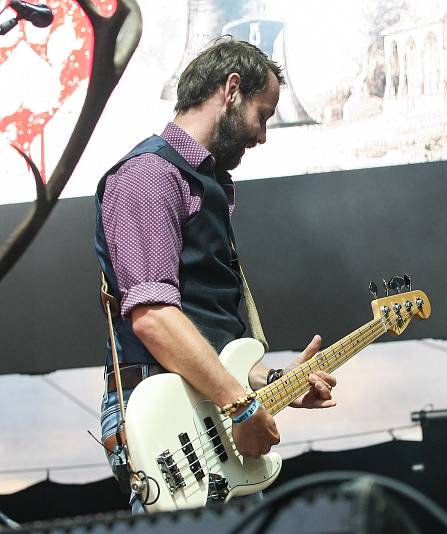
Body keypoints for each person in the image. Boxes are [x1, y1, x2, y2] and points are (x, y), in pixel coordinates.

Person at [95, 38, 337, 510]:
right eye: (262, 115)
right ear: (231, 90)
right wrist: (242, 405)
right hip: (163, 416)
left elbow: (209, 335)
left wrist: (271, 383)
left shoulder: (200, 183)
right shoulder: (149, 174)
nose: (262, 135)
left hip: (199, 408)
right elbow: (153, 317)